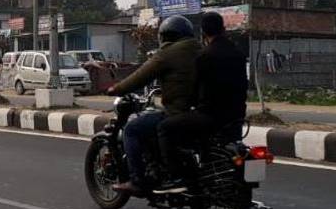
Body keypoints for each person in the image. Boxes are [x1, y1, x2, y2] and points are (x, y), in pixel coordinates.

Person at [106, 15, 200, 195]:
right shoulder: (200, 49)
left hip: (177, 111)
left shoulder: (168, 53)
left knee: (132, 129)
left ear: (165, 36)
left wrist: (116, 89)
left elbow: (140, 76)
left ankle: (137, 181)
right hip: (199, 111)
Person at [157, 11, 249, 190]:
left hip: (210, 117)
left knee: (165, 127)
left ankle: (176, 176)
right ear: (223, 29)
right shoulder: (238, 53)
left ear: (203, 32)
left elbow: (195, 89)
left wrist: (185, 103)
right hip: (237, 116)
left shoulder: (205, 56)